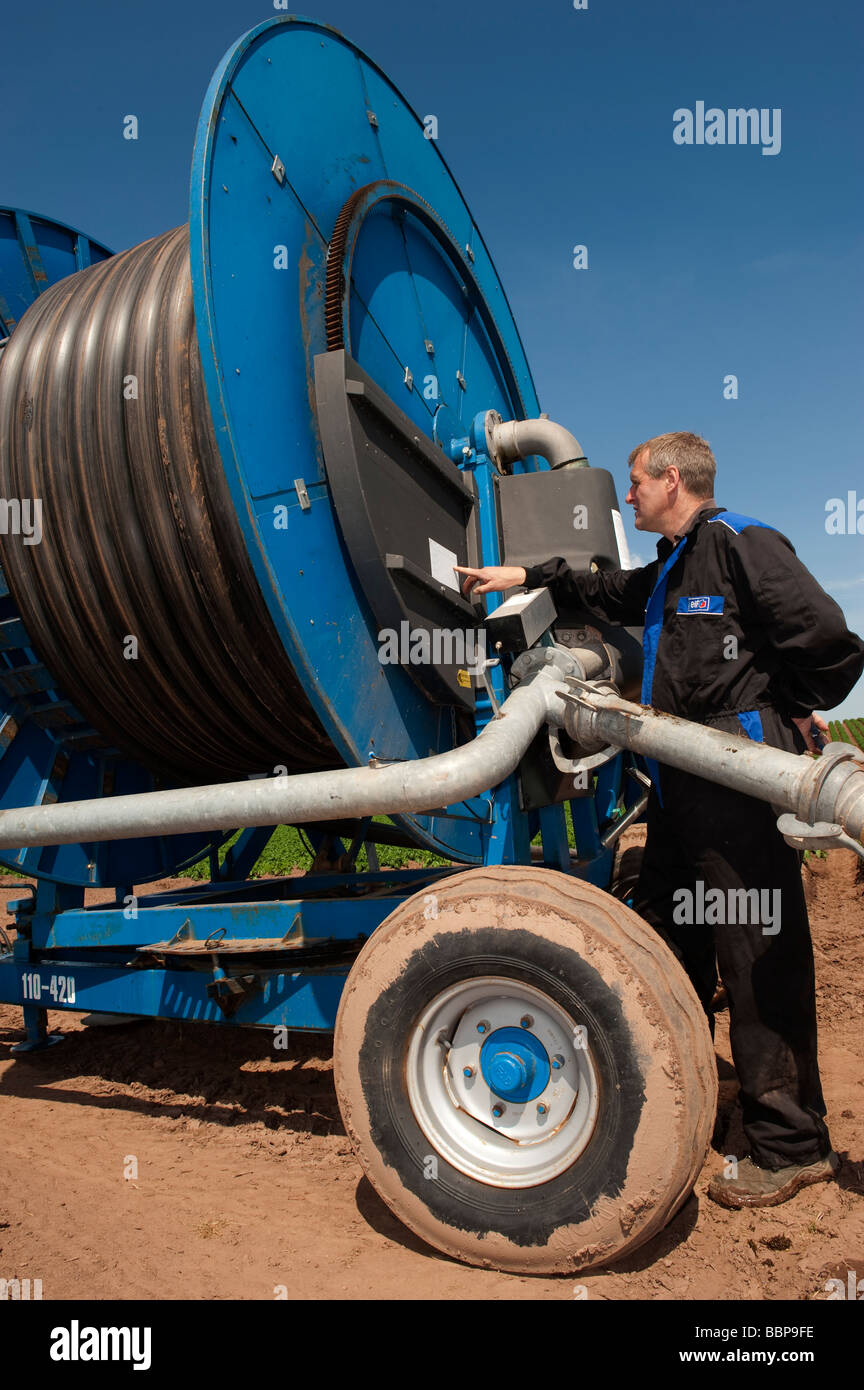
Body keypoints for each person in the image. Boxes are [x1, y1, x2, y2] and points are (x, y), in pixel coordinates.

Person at [455, 431, 864, 1208]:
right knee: (668, 938)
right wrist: (522, 575)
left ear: (672, 480)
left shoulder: (741, 542)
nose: (630, 495)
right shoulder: (672, 567)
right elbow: (607, 592)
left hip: (738, 790)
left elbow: (831, 642)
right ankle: (695, 1093)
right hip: (677, 790)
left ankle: (792, 1141)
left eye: (638, 483)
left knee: (757, 958)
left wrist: (781, 714)